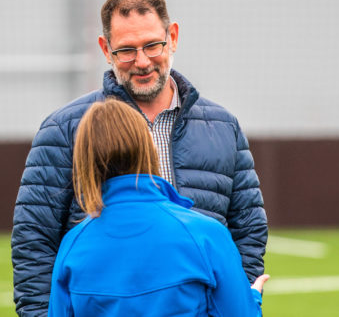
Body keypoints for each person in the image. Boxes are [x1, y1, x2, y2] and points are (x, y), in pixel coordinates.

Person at [12, 0, 267, 315]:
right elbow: (33, 243)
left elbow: (248, 229)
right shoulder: (63, 130)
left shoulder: (222, 127)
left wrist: (231, 299)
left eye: (152, 45)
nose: (143, 61)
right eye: (127, 50)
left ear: (172, 37)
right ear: (105, 49)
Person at [48, 99, 268, 316]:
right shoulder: (205, 234)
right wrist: (253, 300)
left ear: (84, 160)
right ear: (148, 148)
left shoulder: (72, 245)